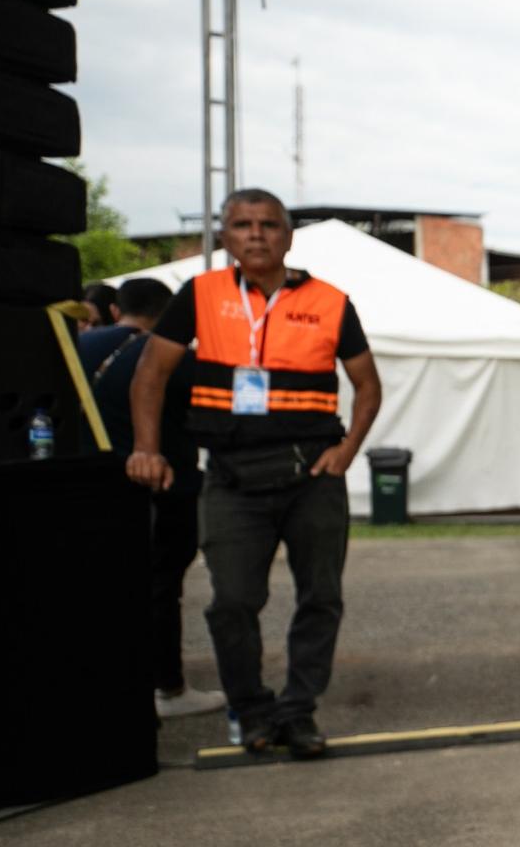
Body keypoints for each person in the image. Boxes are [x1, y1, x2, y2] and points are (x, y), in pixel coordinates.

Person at [125, 189, 382, 760]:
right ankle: (252, 709)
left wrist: (347, 451)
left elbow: (367, 384)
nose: (257, 234)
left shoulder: (330, 301)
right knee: (232, 603)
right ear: (225, 236)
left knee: (321, 597)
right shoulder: (200, 295)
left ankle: (298, 712)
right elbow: (150, 372)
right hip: (233, 479)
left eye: (269, 224)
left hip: (311, 474)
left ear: (289, 235)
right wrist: (148, 447)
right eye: (243, 224)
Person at [90, 278, 225, 719]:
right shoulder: (178, 360)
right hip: (168, 486)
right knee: (162, 589)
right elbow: (210, 417)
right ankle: (168, 687)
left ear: (115, 310)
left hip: (91, 486)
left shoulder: (81, 347)